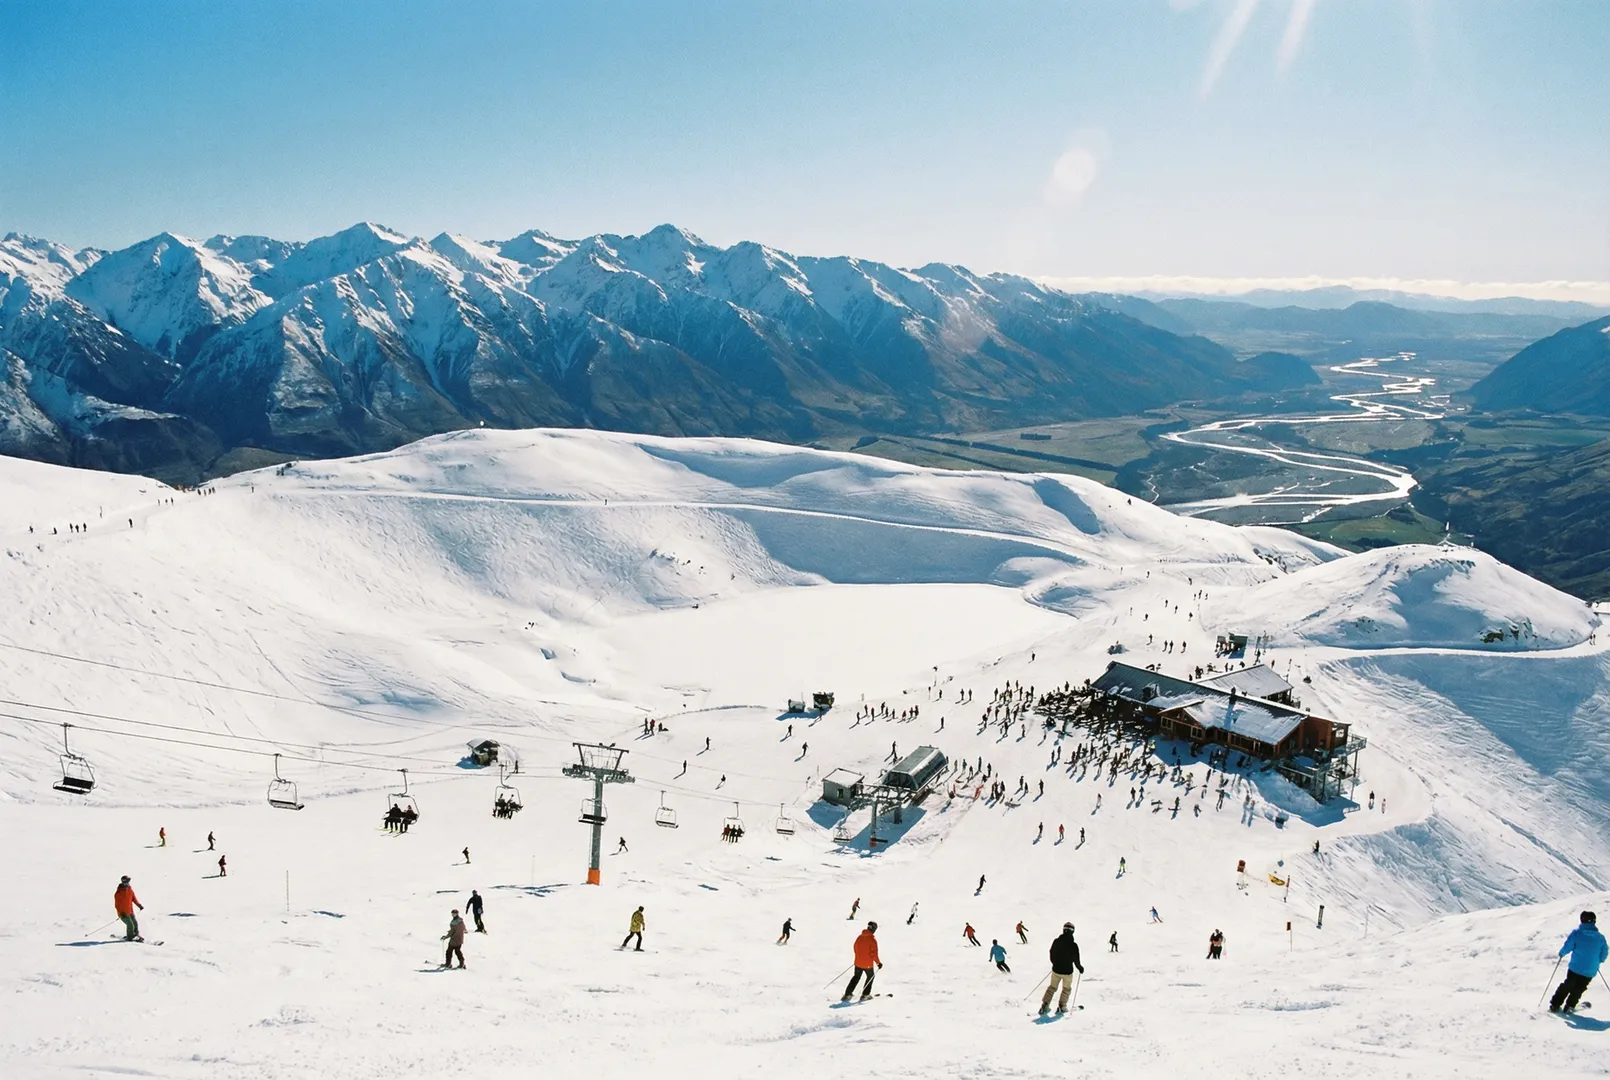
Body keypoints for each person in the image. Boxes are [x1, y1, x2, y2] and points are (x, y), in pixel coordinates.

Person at [1550, 911, 1608, 1013]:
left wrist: (1562, 953)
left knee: (1568, 984)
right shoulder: (1600, 937)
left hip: (1575, 967)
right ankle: (1569, 1006)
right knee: (1579, 988)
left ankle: (1555, 1004)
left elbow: (1568, 945)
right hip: (1590, 969)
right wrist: (1599, 961)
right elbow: (1604, 953)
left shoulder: (1577, 933)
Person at [1039, 923, 1084, 1016]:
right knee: (1066, 989)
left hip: (1056, 970)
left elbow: (1051, 953)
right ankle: (1062, 1006)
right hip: (1068, 972)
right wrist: (1079, 967)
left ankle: (1045, 1005)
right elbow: (1076, 959)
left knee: (1052, 988)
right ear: (1072, 932)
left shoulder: (1056, 941)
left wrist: (1054, 963)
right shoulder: (1073, 945)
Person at [842, 922, 882, 1001]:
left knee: (856, 977)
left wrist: (859, 957)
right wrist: (878, 963)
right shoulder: (872, 940)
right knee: (870, 976)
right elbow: (874, 954)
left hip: (858, 962)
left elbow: (855, 947)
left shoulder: (860, 937)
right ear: (873, 929)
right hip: (867, 964)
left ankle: (847, 994)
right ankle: (865, 995)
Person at [114, 875, 144, 941]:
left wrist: (139, 905)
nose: (128, 883)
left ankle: (136, 935)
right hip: (123, 913)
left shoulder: (129, 889)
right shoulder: (118, 893)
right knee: (130, 925)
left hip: (130, 911)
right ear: (123, 882)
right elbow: (117, 905)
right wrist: (121, 913)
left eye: (128, 882)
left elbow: (133, 898)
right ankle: (130, 937)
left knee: (135, 923)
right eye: (127, 882)